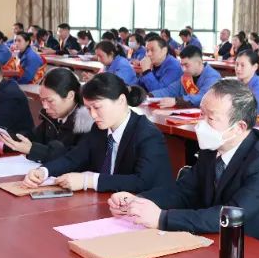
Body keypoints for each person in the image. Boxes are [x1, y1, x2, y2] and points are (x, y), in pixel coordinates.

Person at [109, 79, 259, 252]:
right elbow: (185, 191)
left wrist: (161, 218)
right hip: (221, 241)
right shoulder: (213, 145)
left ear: (239, 127)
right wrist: (138, 201)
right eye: (202, 114)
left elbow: (229, 216)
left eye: (211, 118)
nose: (201, 124)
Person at [23, 73, 170, 193]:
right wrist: (44, 171)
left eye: (97, 107)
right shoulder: (99, 129)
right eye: (88, 109)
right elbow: (73, 158)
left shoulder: (148, 135)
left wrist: (89, 180)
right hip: (109, 203)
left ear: (121, 100)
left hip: (144, 208)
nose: (92, 115)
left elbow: (142, 182)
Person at [0, 68, 94, 163]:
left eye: (50, 101)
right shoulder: (52, 115)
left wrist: (32, 149)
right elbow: (34, 137)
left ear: (70, 96)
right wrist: (11, 139)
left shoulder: (87, 123)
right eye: (42, 100)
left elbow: (73, 158)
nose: (45, 106)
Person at [149, 45, 221, 108]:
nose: (183, 69)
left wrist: (176, 101)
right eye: (182, 65)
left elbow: (203, 97)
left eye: (186, 65)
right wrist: (150, 96)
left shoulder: (213, 77)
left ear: (199, 62)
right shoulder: (187, 76)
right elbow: (170, 90)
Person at [233, 49, 259, 119]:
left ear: (255, 67)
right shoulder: (238, 82)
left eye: (242, 65)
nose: (238, 68)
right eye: (236, 64)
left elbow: (249, 110)